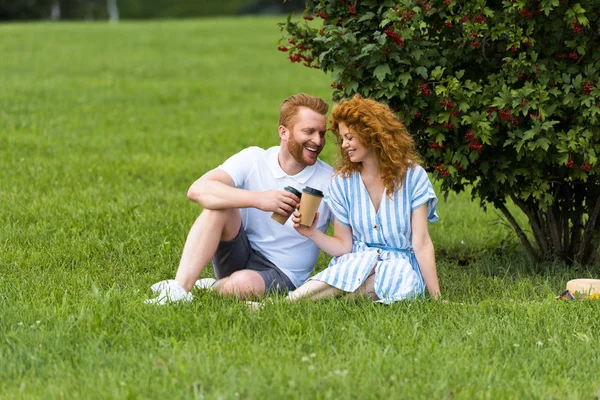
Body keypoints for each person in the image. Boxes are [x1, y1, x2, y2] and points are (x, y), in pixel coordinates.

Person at [146, 94, 333, 304]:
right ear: (283, 132)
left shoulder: (329, 180)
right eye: (309, 132)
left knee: (239, 285)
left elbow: (348, 242)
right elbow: (197, 189)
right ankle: (179, 290)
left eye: (322, 133)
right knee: (218, 205)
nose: (318, 141)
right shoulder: (254, 159)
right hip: (239, 252)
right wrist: (258, 199)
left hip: (283, 272)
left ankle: (212, 286)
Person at [287, 95, 441, 303]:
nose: (344, 145)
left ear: (371, 135)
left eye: (349, 137)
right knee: (357, 265)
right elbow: (344, 247)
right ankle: (281, 304)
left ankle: (312, 300)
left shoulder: (413, 176)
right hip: (356, 263)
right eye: (342, 139)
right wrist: (311, 233)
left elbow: (421, 242)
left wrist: (436, 297)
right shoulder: (343, 182)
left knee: (389, 273)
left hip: (400, 267)